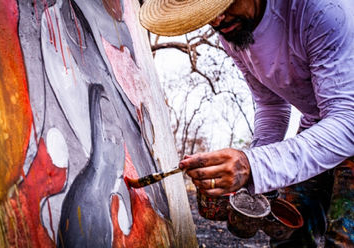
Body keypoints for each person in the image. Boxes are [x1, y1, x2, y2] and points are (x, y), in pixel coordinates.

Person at [139, 0, 354, 247]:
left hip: (346, 122)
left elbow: (347, 120)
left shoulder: (323, 10)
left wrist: (254, 165)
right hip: (319, 127)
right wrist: (248, 173)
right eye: (207, 12)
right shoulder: (232, 31)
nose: (217, 20)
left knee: (343, 240)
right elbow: (271, 106)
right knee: (287, 231)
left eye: (224, 4)